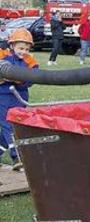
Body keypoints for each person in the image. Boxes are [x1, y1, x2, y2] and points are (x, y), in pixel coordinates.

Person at [0, 28, 38, 170]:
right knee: (7, 125)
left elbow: (32, 79)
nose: (24, 51)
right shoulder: (3, 57)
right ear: (12, 46)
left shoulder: (31, 62)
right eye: (20, 48)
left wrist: (19, 80)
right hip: (3, 97)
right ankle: (17, 157)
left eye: (27, 49)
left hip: (20, 98)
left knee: (14, 127)